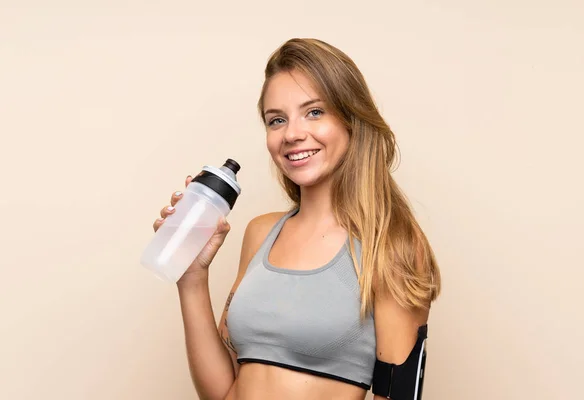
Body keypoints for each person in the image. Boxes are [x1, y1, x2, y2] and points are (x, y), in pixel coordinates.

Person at [152, 38, 442, 400]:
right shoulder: (262, 233)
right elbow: (224, 393)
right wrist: (191, 277)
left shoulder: (392, 242)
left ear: (352, 119)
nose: (291, 134)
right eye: (277, 120)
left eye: (314, 112)